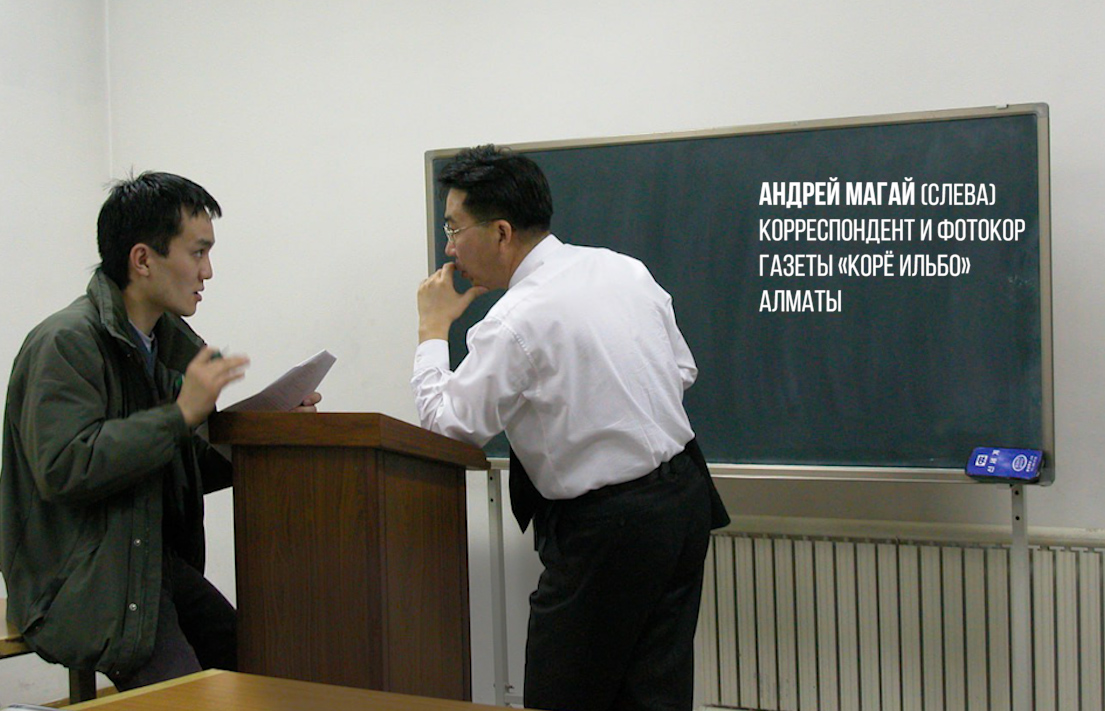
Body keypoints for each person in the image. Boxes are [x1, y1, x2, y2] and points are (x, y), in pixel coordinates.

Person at [413, 145, 729, 711]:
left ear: (501, 233)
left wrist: (432, 330)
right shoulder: (622, 267)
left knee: (561, 695)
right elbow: (681, 370)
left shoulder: (514, 320)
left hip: (610, 525)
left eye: (454, 228)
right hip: (684, 499)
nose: (449, 247)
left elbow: (449, 426)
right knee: (654, 691)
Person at [0, 171, 320, 692]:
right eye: (198, 252)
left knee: (262, 668)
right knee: (193, 697)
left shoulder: (166, 345)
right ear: (143, 260)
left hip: (149, 565)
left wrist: (266, 438)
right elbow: (64, 468)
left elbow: (177, 465)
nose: (208, 271)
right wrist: (179, 415)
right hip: (78, 580)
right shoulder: (65, 342)